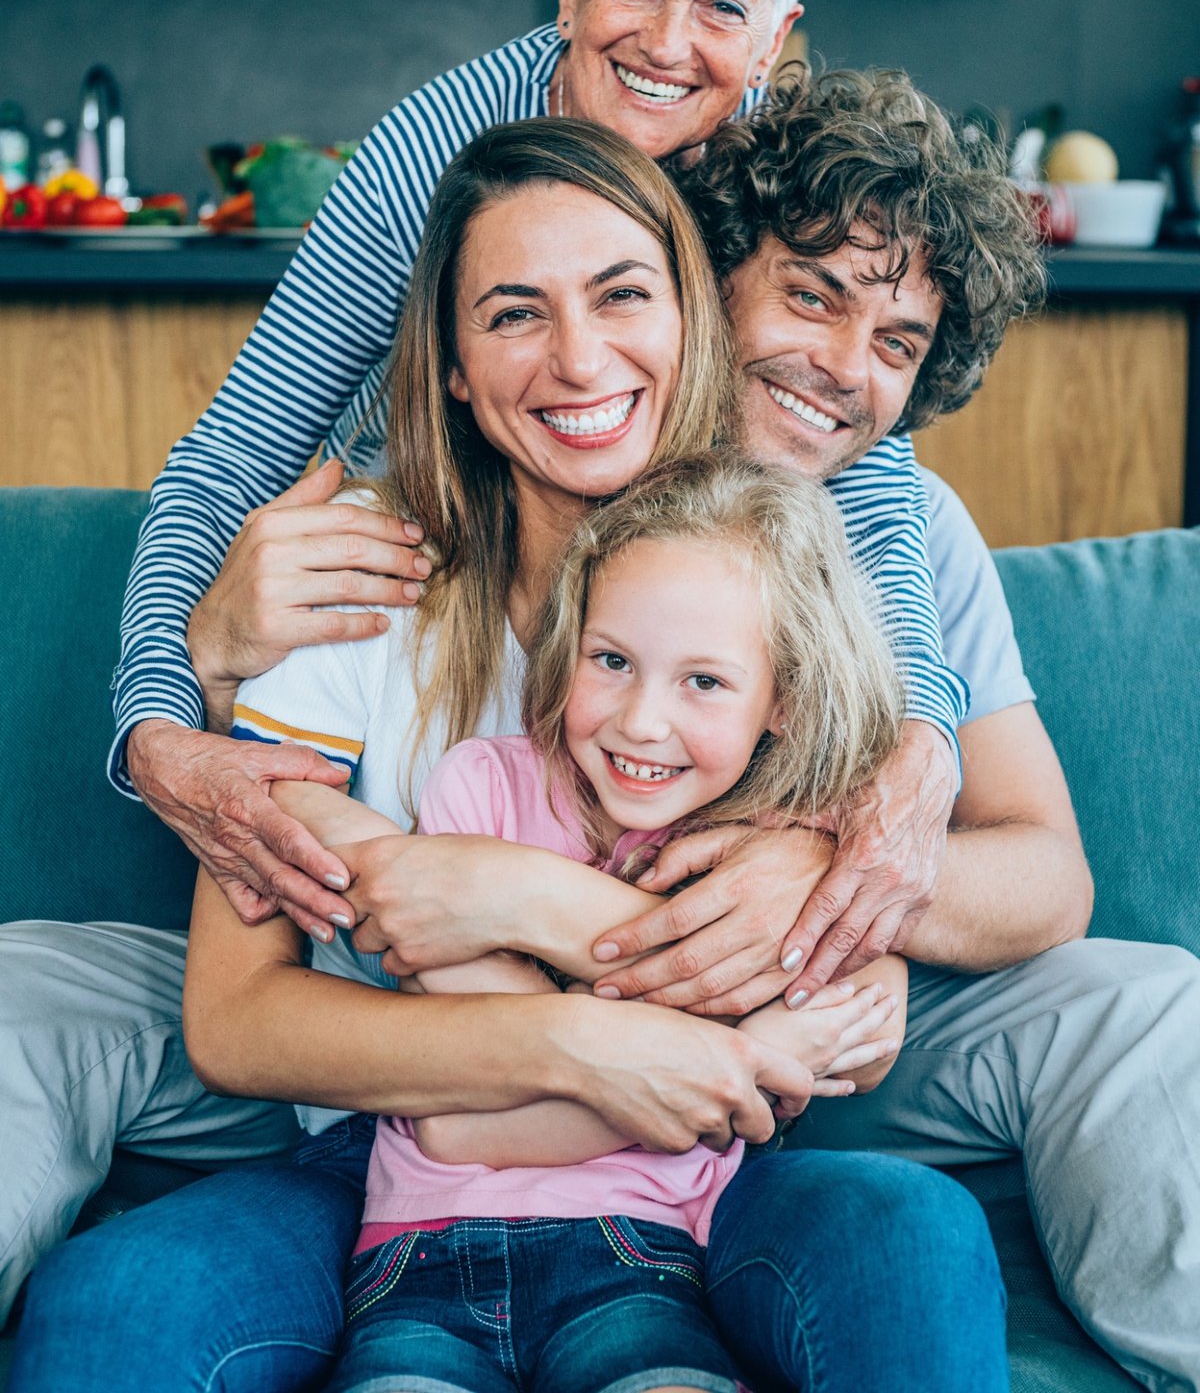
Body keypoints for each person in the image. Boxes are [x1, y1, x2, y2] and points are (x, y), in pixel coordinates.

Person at [0, 0, 969, 1318]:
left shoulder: (778, 222)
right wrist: (162, 726)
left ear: (779, 40)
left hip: (691, 1157)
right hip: (420, 1095)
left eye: (723, 10)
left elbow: (861, 475)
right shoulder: (380, 515)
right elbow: (228, 456)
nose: (668, 41)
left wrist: (903, 771)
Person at [578, 74, 1200, 1393]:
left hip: (859, 1048)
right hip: (562, 1053)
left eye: (900, 340)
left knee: (1151, 1005)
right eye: (814, 294)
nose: (847, 368)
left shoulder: (917, 537)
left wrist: (836, 888)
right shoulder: (574, 469)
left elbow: (1050, 872)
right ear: (711, 272)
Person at [203, 451, 981, 1393]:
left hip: (638, 1261)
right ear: (566, 648)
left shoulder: (781, 850)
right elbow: (456, 1131)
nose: (642, 722)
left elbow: (864, 1021)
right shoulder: (482, 787)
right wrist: (729, 1066)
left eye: (705, 682)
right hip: (418, 1258)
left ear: (784, 699)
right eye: (611, 661)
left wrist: (683, 1069)